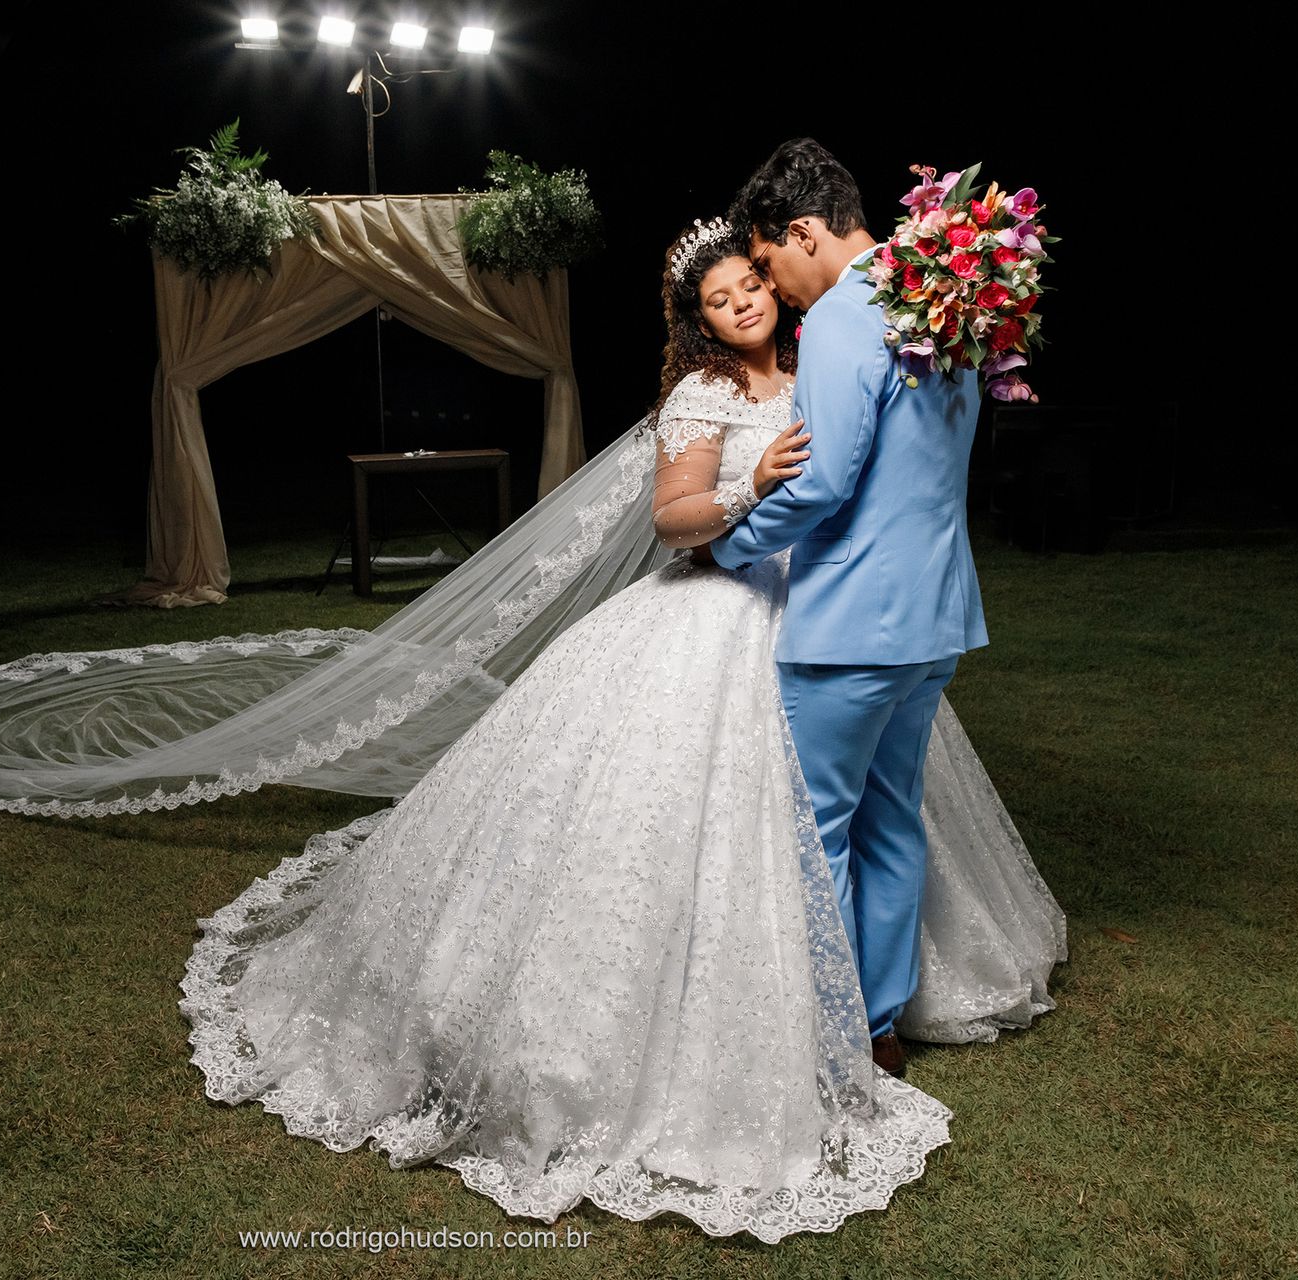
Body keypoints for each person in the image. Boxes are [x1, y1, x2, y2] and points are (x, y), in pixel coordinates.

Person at [170, 218, 1062, 1237]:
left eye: (750, 288)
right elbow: (672, 519)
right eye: (720, 300)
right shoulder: (700, 396)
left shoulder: (835, 353)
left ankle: (872, 1000)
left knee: (866, 809)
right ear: (701, 320)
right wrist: (747, 484)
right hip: (719, 612)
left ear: (774, 281)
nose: (742, 307)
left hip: (837, 612)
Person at [714, 140, 990, 1077]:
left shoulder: (843, 315)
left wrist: (731, 541)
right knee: (893, 821)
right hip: (936, 615)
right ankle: (880, 1026)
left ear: (801, 231)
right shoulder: (945, 300)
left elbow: (822, 479)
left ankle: (831, 1036)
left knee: (819, 827)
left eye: (768, 264)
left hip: (849, 625)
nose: (774, 287)